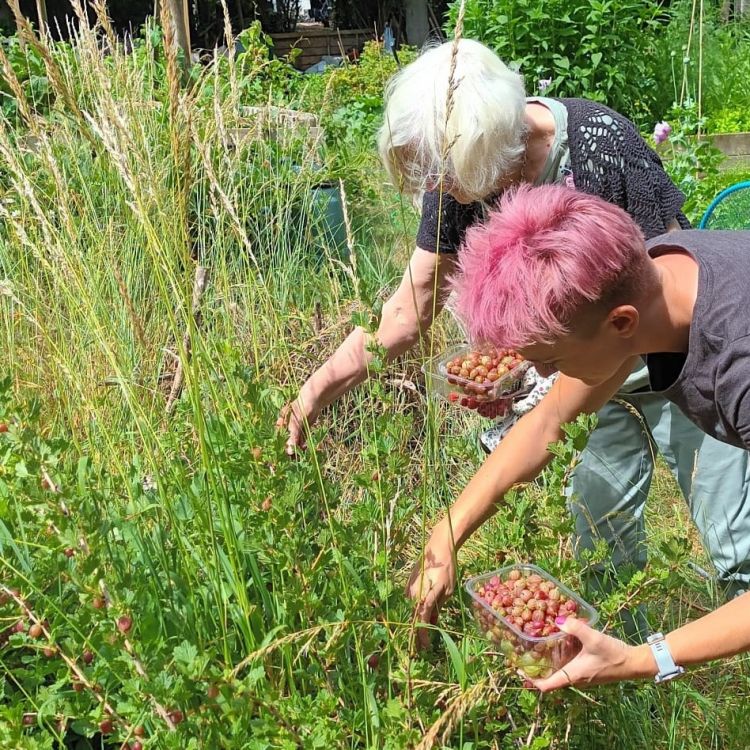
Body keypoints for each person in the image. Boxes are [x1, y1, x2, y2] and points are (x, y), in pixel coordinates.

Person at [276, 39, 750, 610]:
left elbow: (663, 301)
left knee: (732, 535)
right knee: (603, 542)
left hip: (666, 358)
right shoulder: (455, 177)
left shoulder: (602, 149)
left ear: (495, 155)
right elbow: (412, 310)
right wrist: (313, 393)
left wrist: (552, 364)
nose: (442, 194)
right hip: (592, 362)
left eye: (451, 180)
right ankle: (624, 669)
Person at [416, 182, 750, 689]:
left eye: (551, 362)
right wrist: (446, 535)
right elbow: (549, 422)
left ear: (621, 324)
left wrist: (642, 659)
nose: (547, 377)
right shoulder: (654, 273)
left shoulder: (736, 364)